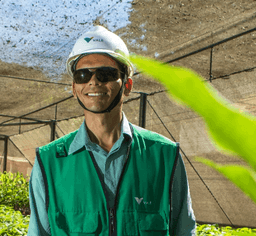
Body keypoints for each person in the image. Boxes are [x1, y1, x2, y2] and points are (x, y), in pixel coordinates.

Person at [27, 25, 196, 236]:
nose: (94, 81)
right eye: (82, 75)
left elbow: (184, 230)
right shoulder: (49, 162)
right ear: (74, 89)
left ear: (127, 85)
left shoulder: (164, 155)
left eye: (106, 73)